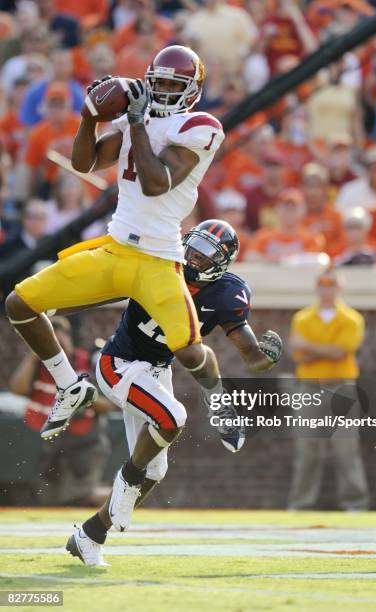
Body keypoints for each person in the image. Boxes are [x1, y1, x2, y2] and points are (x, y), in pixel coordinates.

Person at [5, 45, 233, 447]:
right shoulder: (137, 117)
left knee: (190, 351)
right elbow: (84, 163)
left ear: (191, 90)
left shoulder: (200, 126)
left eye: (170, 85)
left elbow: (156, 182)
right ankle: (69, 385)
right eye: (157, 82)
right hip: (115, 249)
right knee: (20, 304)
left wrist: (135, 123)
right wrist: (89, 118)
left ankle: (221, 401)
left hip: (159, 260)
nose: (161, 91)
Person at [64, 220, 283, 566]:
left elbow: (250, 355)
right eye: (192, 248)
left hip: (156, 371)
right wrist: (48, 303)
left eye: (205, 255)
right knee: (174, 414)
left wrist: (265, 359)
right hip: (118, 363)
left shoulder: (227, 294)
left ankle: (90, 534)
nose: (193, 258)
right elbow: (100, 289)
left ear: (222, 265)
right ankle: (127, 477)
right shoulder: (159, 264)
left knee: (155, 472)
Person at [288, 268, 369, 511]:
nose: (327, 289)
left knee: (346, 450)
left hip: (341, 387)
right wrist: (325, 351)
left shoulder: (351, 318)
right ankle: (300, 505)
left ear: (339, 287)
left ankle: (355, 504)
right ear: (317, 288)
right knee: (307, 451)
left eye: (332, 284)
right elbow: (298, 355)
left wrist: (310, 348)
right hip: (309, 388)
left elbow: (341, 352)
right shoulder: (302, 318)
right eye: (323, 284)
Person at [10, 316, 113, 506]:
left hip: (85, 443)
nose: (58, 346)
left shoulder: (87, 361)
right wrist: (35, 354)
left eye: (61, 340)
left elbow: (109, 406)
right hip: (49, 445)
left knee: (81, 497)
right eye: (51, 343)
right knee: (47, 499)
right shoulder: (38, 365)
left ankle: (123, 496)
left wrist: (81, 393)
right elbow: (17, 388)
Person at [245, 188, 322, 263]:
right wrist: (274, 260)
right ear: (278, 209)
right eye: (286, 207)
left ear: (302, 210)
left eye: (293, 208)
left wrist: (291, 259)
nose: (289, 212)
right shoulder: (263, 236)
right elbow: (249, 257)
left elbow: (316, 259)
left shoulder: (311, 238)